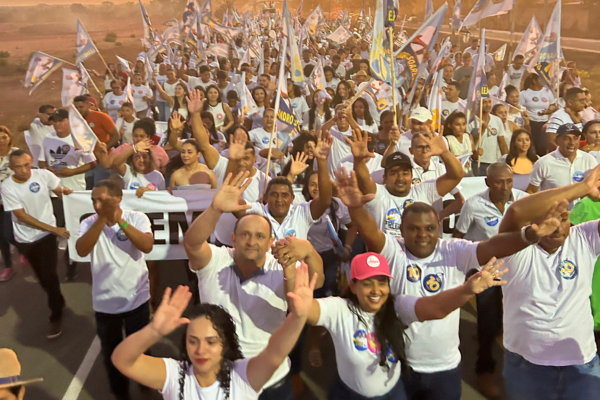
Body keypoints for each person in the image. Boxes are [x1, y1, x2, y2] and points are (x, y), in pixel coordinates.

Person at [333, 167, 562, 400]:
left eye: (430, 228)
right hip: (400, 364)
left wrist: (530, 235)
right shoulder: (394, 250)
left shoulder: (454, 251)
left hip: (445, 367)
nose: (423, 234)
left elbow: (492, 246)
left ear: (439, 230)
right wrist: (355, 207)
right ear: (401, 230)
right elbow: (370, 231)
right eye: (414, 228)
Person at [182, 172, 324, 400]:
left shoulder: (281, 265)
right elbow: (192, 242)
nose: (251, 241)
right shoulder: (215, 260)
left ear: (270, 243)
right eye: (245, 234)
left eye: (259, 236)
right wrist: (215, 209)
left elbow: (308, 288)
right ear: (233, 238)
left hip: (271, 377)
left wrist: (309, 250)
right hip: (220, 373)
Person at [298, 248, 507, 400]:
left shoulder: (397, 306)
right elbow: (306, 309)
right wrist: (301, 295)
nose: (376, 290)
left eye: (382, 282)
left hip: (394, 394)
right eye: (367, 283)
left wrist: (466, 290)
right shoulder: (340, 310)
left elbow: (434, 308)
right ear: (353, 286)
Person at [112, 263, 317, 400]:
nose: (200, 350)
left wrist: (298, 317)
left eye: (211, 342)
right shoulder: (175, 375)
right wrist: (154, 330)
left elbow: (275, 353)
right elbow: (122, 360)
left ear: (225, 344)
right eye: (193, 341)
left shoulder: (243, 376)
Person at [498, 165, 600, 400]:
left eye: (563, 218)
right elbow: (515, 212)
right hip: (528, 368)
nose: (557, 225)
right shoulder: (515, 247)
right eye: (549, 218)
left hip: (582, 365)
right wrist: (581, 188)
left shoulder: (583, 238)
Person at [453, 162, 528, 398]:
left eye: (509, 180)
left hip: (518, 272)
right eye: (498, 181)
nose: (505, 186)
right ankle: (484, 370)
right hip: (486, 274)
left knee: (519, 320)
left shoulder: (524, 201)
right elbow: (458, 238)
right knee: (486, 324)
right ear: (487, 182)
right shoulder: (473, 205)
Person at [75, 179, 154, 400]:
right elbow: (81, 250)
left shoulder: (137, 218)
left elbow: (146, 245)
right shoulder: (89, 222)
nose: (96, 204)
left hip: (136, 299)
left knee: (140, 348)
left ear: (118, 198)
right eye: (93, 200)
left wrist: (119, 220)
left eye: (102, 200)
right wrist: (102, 220)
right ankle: (121, 394)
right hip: (104, 304)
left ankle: (146, 384)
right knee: (112, 354)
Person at [1, 150, 71, 338]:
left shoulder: (44, 175)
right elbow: (21, 216)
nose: (24, 170)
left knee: (49, 274)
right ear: (11, 168)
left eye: (26, 165)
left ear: (31, 161)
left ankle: (56, 314)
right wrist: (54, 228)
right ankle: (58, 299)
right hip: (25, 239)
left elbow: (62, 194)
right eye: (18, 167)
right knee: (42, 277)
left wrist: (71, 199)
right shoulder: (7, 187)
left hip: (47, 237)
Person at [353, 129, 464, 236]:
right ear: (384, 177)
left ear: (412, 176)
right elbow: (364, 180)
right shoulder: (378, 194)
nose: (400, 178)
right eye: (394, 173)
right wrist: (358, 161)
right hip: (386, 254)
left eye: (405, 173)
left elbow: (456, 176)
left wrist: (444, 153)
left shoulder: (423, 191)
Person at [41, 108, 97, 281]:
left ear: (68, 121)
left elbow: (93, 163)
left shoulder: (79, 139)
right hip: (54, 193)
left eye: (60, 120)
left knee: (73, 230)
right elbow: (42, 162)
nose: (56, 124)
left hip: (75, 192)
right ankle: (51, 265)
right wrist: (49, 171)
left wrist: (71, 172)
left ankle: (72, 265)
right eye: (54, 121)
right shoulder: (47, 138)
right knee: (54, 229)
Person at [527, 123, 598, 206]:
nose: (572, 143)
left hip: (583, 215)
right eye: (566, 138)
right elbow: (530, 192)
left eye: (575, 138)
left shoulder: (589, 159)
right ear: (557, 141)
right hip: (554, 215)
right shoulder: (543, 163)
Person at [468, 97, 508, 176]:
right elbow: (469, 143)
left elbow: (502, 143)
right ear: (477, 104)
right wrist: (482, 131)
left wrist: (507, 160)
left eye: (489, 102)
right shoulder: (470, 121)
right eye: (484, 102)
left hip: (493, 163)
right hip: (477, 163)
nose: (488, 105)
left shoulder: (497, 120)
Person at [519, 74, 557, 156]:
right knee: (530, 145)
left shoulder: (547, 91)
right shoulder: (524, 93)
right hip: (531, 123)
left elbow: (553, 105)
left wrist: (548, 111)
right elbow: (519, 107)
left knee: (542, 146)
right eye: (541, 80)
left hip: (544, 123)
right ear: (534, 81)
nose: (543, 82)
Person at [0, 127, 19, 282]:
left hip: (13, 201)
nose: (1, 140)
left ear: (9, 138)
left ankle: (22, 249)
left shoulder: (16, 154)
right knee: (1, 237)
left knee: (9, 234)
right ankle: (8, 267)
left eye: (4, 137)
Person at [546, 87, 587, 153]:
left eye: (585, 100)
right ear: (570, 102)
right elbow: (551, 142)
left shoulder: (578, 116)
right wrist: (567, 155)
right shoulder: (558, 117)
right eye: (581, 101)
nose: (584, 103)